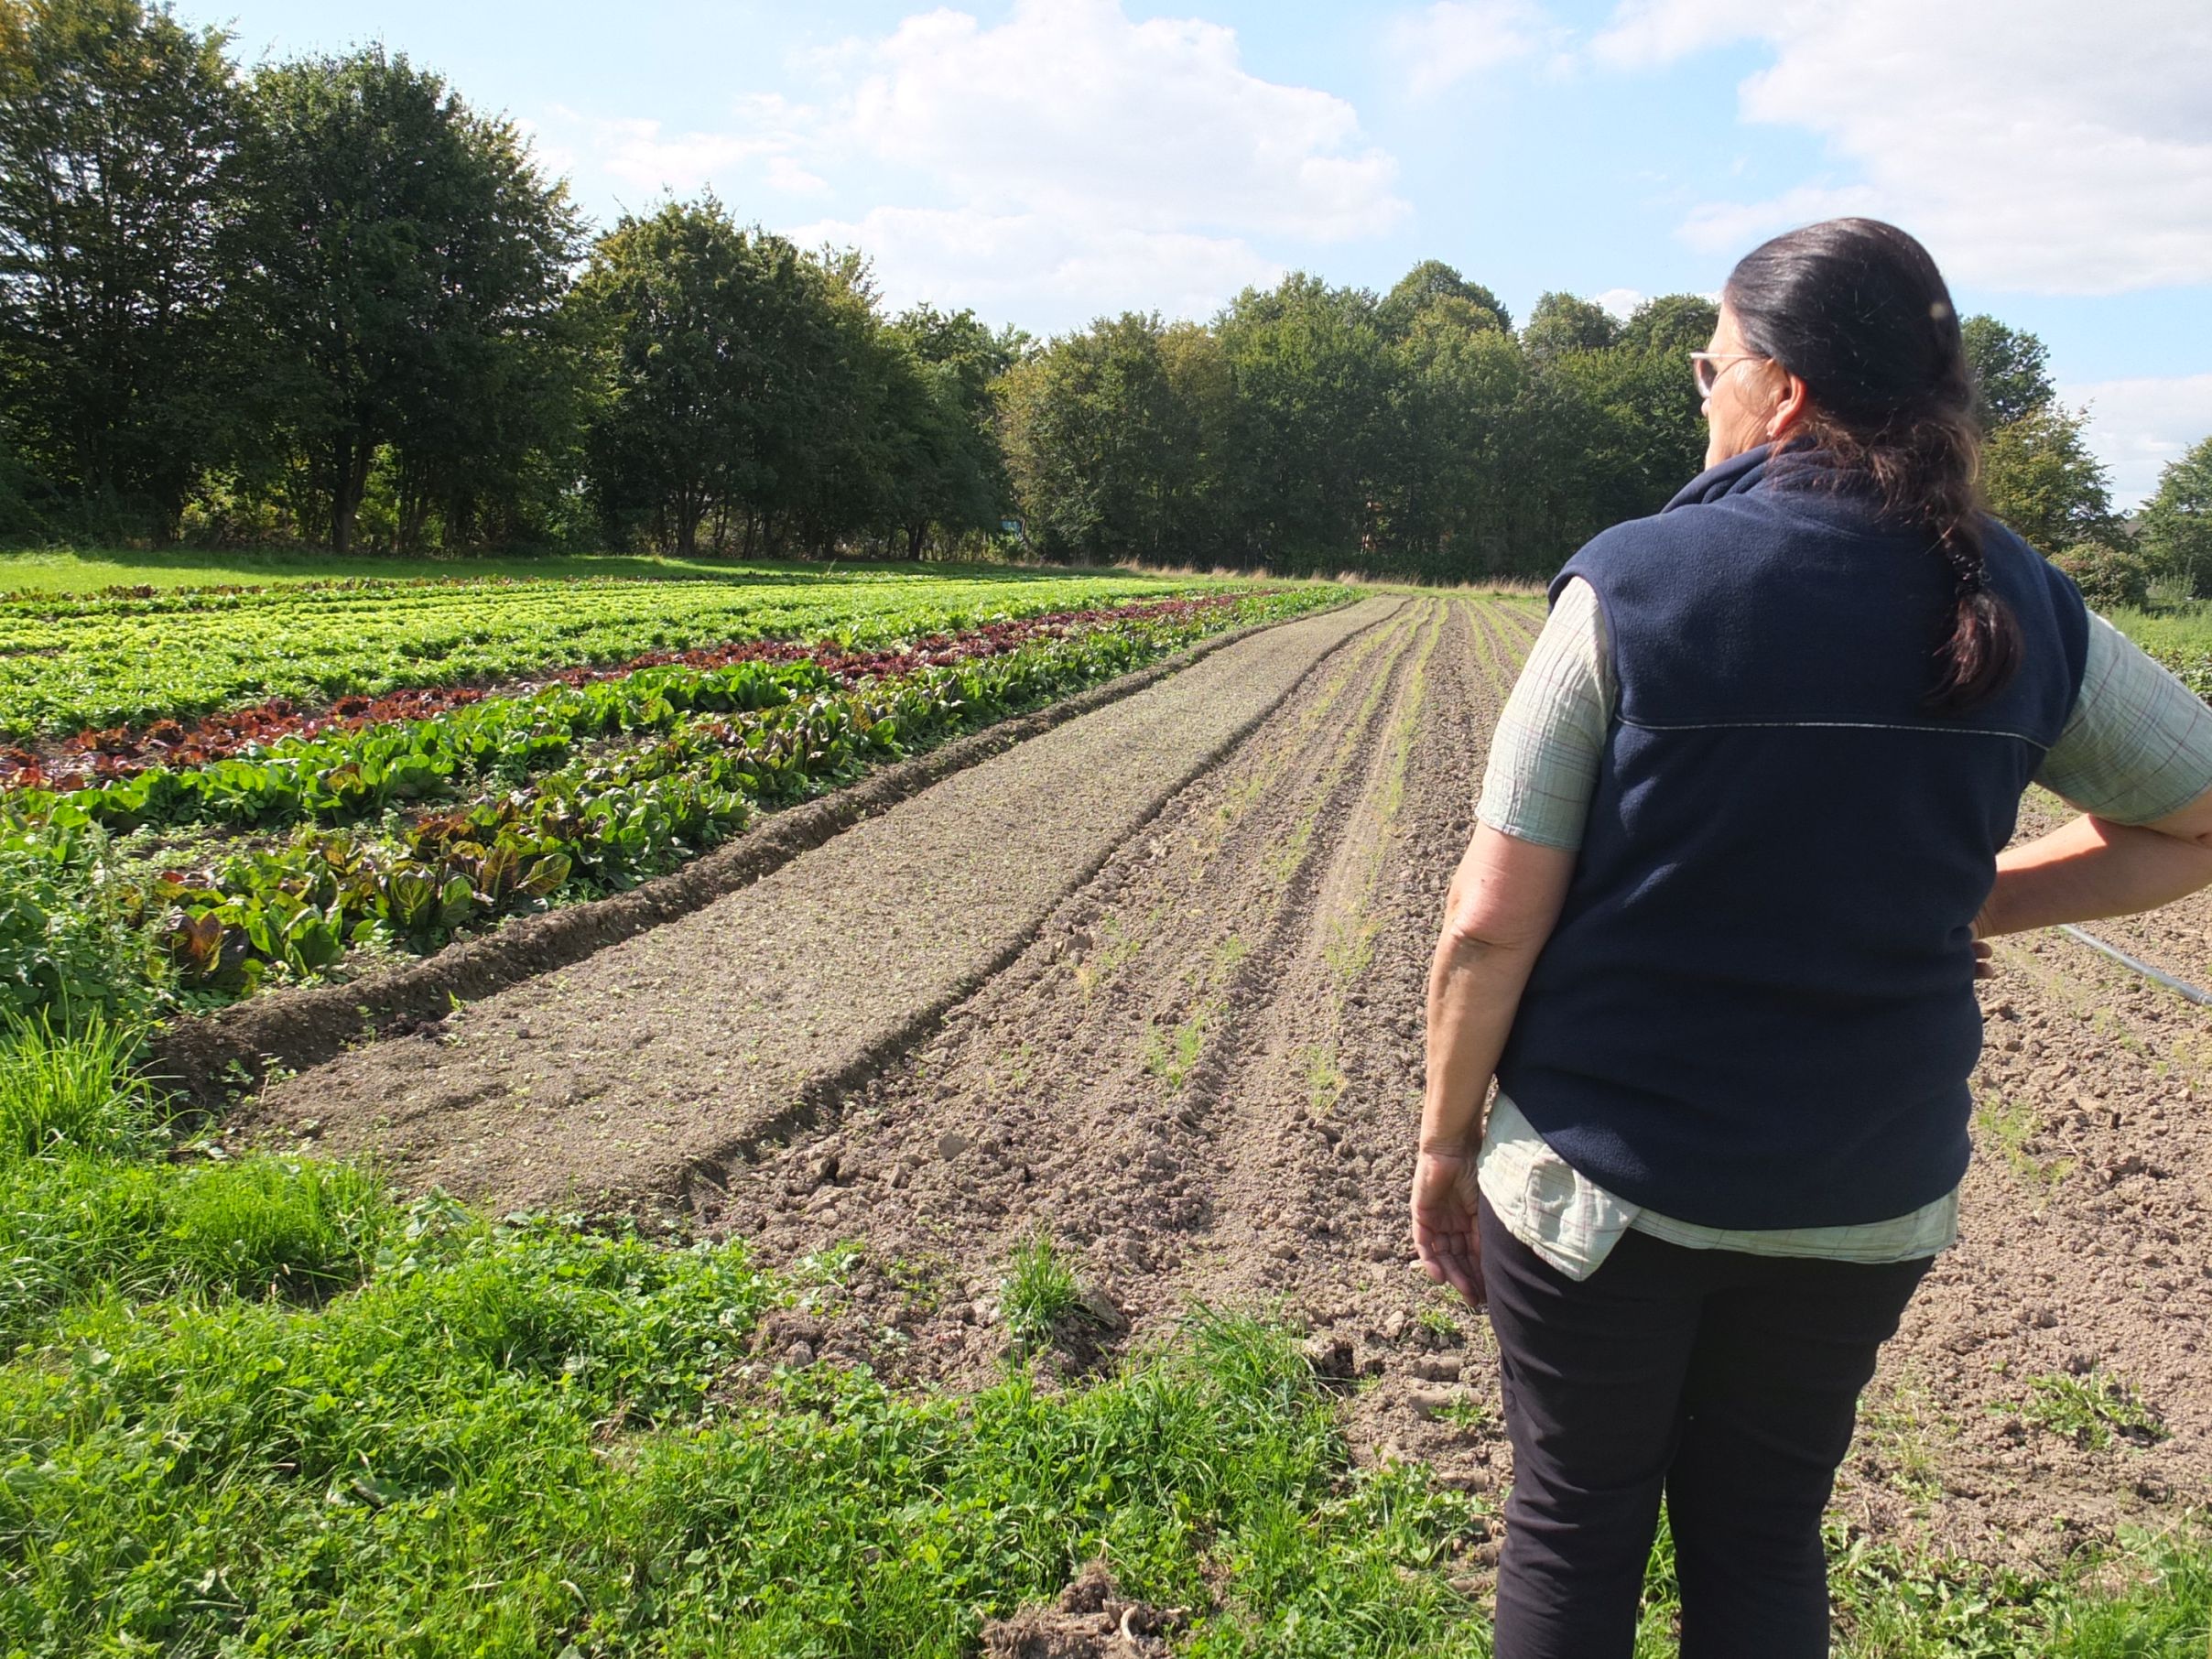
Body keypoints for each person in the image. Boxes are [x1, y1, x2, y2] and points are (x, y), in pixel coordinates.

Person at [1408, 216, 2212, 1659]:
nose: (1700, 393)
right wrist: (1982, 896)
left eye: (1708, 365)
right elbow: (2201, 816)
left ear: (1777, 388)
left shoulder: (1634, 583)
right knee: (1765, 1539)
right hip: (1863, 1200)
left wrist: (1443, 1145)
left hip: (1602, 1197)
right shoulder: (2022, 599)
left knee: (1574, 1530)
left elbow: (1483, 927)